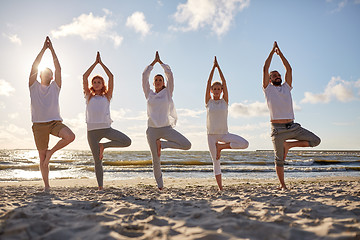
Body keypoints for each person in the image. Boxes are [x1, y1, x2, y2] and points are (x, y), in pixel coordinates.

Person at [263, 41, 321, 190]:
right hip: (278, 130)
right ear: (270, 79)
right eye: (274, 75)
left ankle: (289, 145)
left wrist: (280, 53)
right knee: (279, 160)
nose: (277, 76)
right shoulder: (268, 89)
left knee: (315, 141)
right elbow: (265, 68)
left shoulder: (287, 87)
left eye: (278, 75)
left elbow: (289, 68)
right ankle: (283, 185)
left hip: (293, 127)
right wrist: (271, 52)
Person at [29, 36, 75, 191]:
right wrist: (43, 49)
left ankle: (51, 152)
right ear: (41, 75)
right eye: (45, 73)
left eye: (50, 73)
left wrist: (52, 49)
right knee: (42, 159)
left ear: (52, 77)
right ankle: (47, 186)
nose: (47, 75)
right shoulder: (33, 86)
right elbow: (34, 66)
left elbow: (59, 68)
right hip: (39, 125)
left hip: (55, 123)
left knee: (70, 136)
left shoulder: (55, 87)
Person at [142, 51, 191, 190]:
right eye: (156, 80)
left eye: (160, 80)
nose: (158, 81)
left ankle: (162, 145)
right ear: (153, 83)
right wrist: (152, 64)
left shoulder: (168, 92)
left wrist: (161, 63)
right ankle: (160, 186)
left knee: (186, 144)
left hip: (166, 128)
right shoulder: (149, 94)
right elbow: (144, 76)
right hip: (152, 130)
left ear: (163, 83)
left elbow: (170, 74)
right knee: (155, 160)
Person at [83, 52, 131, 190]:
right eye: (94, 82)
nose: (96, 84)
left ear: (102, 84)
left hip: (106, 129)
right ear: (92, 84)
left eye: (99, 82)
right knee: (97, 161)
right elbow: (84, 77)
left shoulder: (107, 96)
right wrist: (94, 64)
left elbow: (111, 77)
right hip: (92, 131)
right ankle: (100, 187)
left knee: (127, 141)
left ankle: (104, 146)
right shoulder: (88, 96)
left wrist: (101, 64)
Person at [205, 56, 249, 191]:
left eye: (219, 89)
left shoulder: (225, 101)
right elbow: (207, 83)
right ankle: (220, 188)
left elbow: (225, 81)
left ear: (222, 90)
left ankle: (222, 147)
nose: (217, 91)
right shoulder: (208, 102)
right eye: (215, 89)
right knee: (216, 162)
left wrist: (219, 68)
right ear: (212, 91)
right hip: (212, 135)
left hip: (224, 135)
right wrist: (213, 68)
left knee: (244, 144)